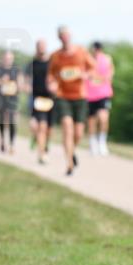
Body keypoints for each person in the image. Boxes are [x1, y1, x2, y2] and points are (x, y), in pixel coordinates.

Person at [48, 25, 94, 175]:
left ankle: (71, 151)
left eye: (66, 35)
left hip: (80, 96)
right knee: (67, 127)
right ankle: (69, 164)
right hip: (62, 96)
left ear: (70, 36)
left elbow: (93, 68)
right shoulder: (55, 56)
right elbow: (51, 75)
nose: (65, 37)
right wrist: (52, 85)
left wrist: (87, 75)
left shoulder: (81, 51)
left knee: (78, 133)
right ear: (59, 38)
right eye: (62, 35)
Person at [25, 39, 55, 165]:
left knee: (48, 129)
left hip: (50, 99)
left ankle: (44, 145)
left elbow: (57, 77)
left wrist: (55, 85)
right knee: (40, 126)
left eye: (43, 46)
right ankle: (41, 154)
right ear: (37, 48)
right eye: (39, 46)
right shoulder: (32, 64)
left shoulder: (52, 63)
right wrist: (26, 86)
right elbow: (25, 78)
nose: (41, 48)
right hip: (37, 99)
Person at [85, 41, 115, 157]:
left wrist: (105, 78)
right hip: (90, 94)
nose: (95, 51)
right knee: (92, 120)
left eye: (97, 49)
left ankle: (102, 142)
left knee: (103, 118)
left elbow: (111, 73)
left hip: (104, 93)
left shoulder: (107, 59)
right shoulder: (87, 59)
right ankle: (93, 143)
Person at [0, 50, 22, 154]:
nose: (8, 60)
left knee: (12, 121)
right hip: (1, 99)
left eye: (10, 58)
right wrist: (1, 81)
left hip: (12, 99)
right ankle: (2, 139)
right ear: (2, 59)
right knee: (1, 120)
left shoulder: (16, 69)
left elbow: (20, 84)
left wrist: (17, 85)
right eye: (6, 58)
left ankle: (12, 144)